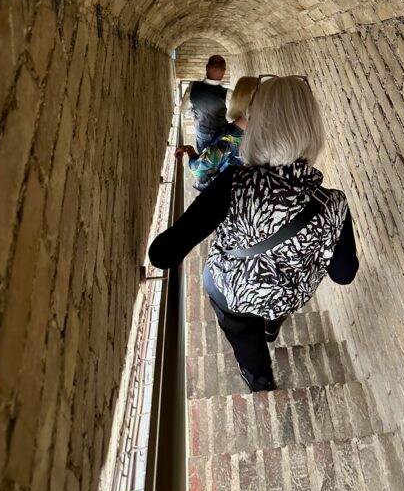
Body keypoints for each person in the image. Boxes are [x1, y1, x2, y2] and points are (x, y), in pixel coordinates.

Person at [149, 75, 359, 393]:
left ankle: (260, 377)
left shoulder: (234, 184)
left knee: (240, 327)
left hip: (233, 291)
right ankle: (273, 324)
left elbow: (163, 254)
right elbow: (344, 275)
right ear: (312, 129)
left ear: (259, 126)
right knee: (277, 298)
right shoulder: (333, 203)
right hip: (288, 293)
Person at [176, 76, 258, 191]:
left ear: (238, 99)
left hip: (228, 198)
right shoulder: (268, 132)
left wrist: (188, 149)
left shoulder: (227, 138)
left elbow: (200, 171)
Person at [181, 55, 231, 153]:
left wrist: (197, 114)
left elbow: (185, 111)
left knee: (202, 160)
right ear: (224, 71)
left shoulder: (192, 87)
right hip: (221, 135)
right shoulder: (228, 94)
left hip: (201, 131)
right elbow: (233, 117)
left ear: (207, 68)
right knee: (221, 161)